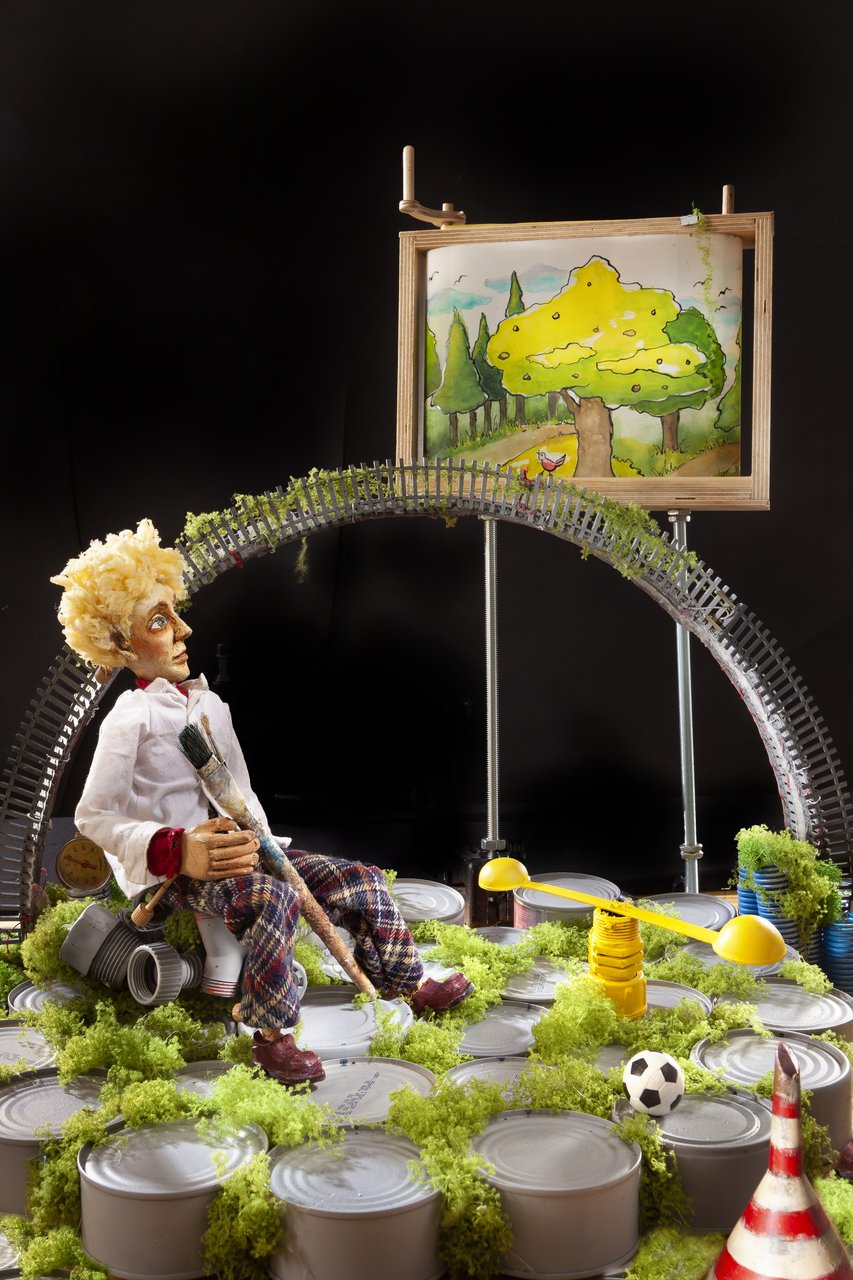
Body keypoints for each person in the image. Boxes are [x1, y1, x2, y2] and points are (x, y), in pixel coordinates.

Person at [51, 519, 473, 1085]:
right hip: (175, 876)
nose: (183, 629)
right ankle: (271, 1035)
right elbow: (93, 815)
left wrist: (266, 846)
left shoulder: (210, 706)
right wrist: (175, 848)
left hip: (247, 852)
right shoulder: (130, 720)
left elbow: (242, 791)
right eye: (159, 621)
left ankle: (408, 981)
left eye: (176, 613)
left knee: (362, 879)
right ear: (121, 644)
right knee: (273, 899)